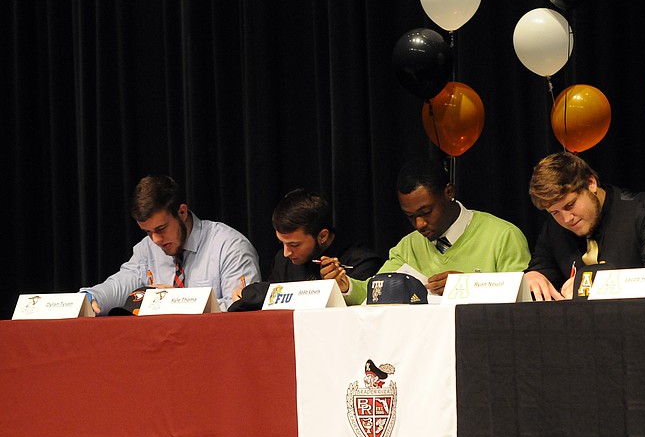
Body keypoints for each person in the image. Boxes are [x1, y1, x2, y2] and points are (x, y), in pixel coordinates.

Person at [340, 158, 531, 305]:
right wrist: (346, 285)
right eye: (410, 216)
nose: (419, 224)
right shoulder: (408, 246)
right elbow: (375, 290)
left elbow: (523, 297)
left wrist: (466, 287)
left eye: (426, 212)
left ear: (449, 192)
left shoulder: (502, 236)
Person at [80, 174, 261, 314]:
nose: (156, 240)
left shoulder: (229, 246)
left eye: (161, 228)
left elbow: (242, 310)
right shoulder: (147, 249)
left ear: (182, 212)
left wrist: (176, 301)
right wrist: (91, 298)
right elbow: (121, 282)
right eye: (147, 232)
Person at [524, 151, 645, 301]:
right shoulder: (554, 228)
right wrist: (534, 277)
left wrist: (590, 280)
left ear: (591, 183)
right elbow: (542, 269)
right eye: (554, 212)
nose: (566, 219)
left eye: (570, 205)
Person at [229, 188, 382, 310]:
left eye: (294, 245)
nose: (286, 252)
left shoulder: (361, 261)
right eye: (282, 243)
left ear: (322, 236)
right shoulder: (283, 260)